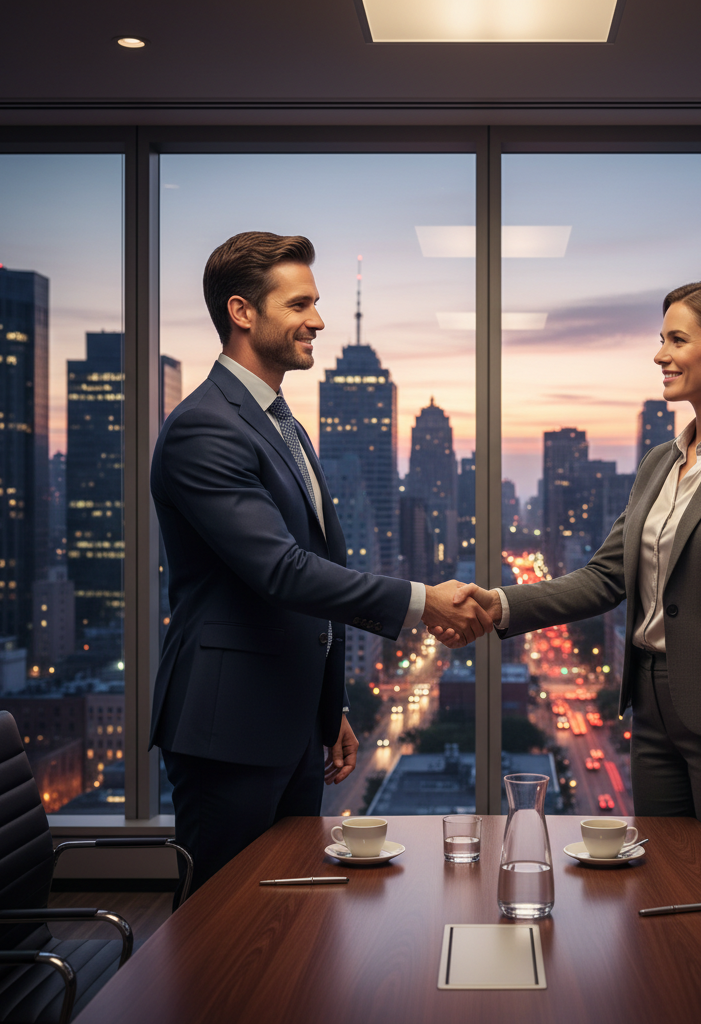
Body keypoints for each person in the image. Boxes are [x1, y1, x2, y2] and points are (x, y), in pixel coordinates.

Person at [150, 231, 493, 900]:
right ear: (243, 312)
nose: (318, 320)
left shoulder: (282, 423)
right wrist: (423, 602)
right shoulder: (206, 427)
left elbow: (311, 574)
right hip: (228, 730)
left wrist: (326, 703)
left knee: (287, 911)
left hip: (288, 724)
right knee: (222, 928)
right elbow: (282, 572)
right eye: (300, 303)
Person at [441, 279, 701, 874]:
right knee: (659, 879)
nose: (659, 354)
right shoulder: (660, 463)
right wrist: (499, 604)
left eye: (675, 339)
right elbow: (604, 577)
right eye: (659, 339)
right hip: (652, 708)